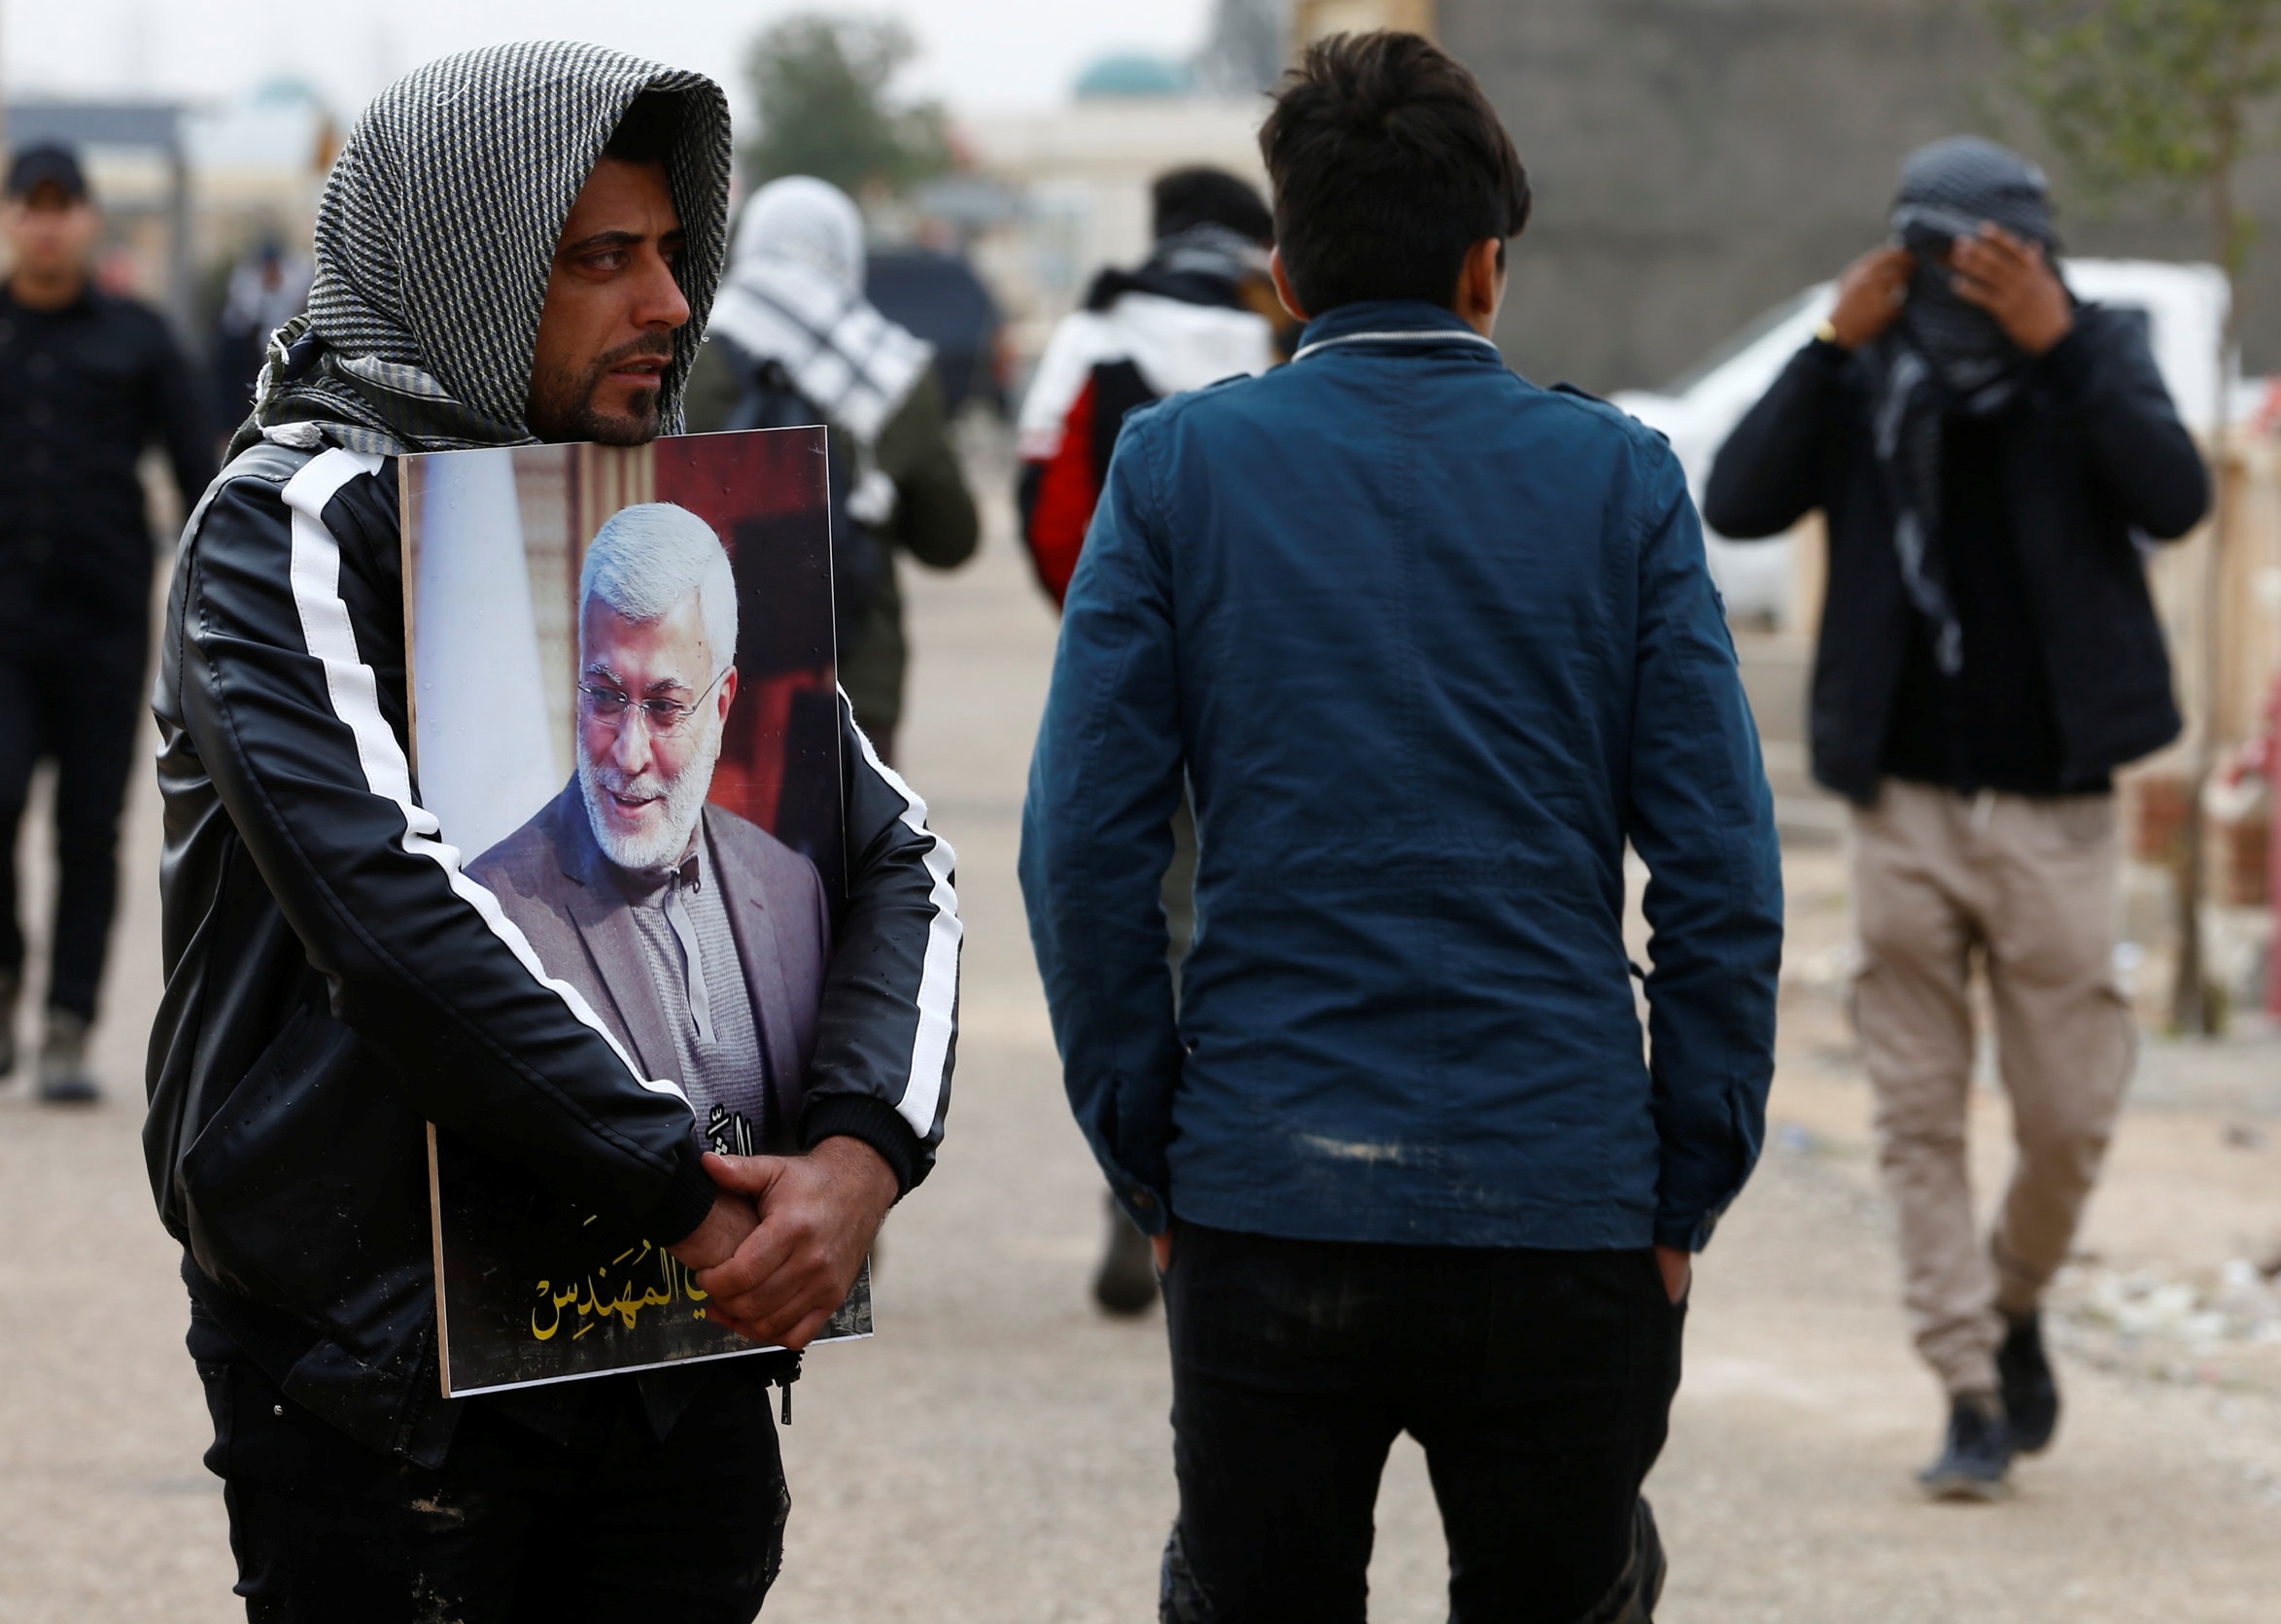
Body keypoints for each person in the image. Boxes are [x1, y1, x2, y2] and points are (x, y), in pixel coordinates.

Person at [147, 46, 959, 1622]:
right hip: (374, 1377)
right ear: (463, 265)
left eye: (670, 251)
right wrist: (685, 1186)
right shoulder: (293, 525)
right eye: (601, 257)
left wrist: (861, 1157)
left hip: (671, 1371)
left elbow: (896, 854)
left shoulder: (647, 513)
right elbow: (392, 921)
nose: (668, 301)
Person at [1020, 32, 1781, 1622]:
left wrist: (1152, 1156)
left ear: (1282, 272)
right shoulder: (1622, 485)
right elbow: (1718, 871)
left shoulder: (1173, 474)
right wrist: (1684, 1181)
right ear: (1487, 267)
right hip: (1565, 1199)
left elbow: (1081, 850)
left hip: (1263, 1197)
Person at [1704, 136, 2208, 1500]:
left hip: (2052, 806)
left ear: (2035, 252)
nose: (1962, 281)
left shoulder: (2093, 347)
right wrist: (1823, 343)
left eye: (1992, 254)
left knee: (2066, 1114)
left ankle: (2013, 1294)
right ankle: (1967, 1388)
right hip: (1902, 802)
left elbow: (2173, 491)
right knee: (1915, 1115)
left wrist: (2056, 348)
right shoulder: (1863, 363)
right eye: (1939, 253)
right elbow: (1733, 496)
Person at [1017, 165, 1285, 1315]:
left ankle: (1143, 1200)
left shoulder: (1091, 333)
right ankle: (1259, 1191)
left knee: (1143, 929)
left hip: (1130, 682)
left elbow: (1045, 506)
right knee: (1262, 924)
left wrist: (1101, 630)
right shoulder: (1286, 336)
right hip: (1275, 689)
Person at [470, 504, 829, 1164]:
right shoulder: (490, 914)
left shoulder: (790, 888)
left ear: (721, 706)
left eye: (664, 707)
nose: (628, 753)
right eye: (605, 696)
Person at [0, 143, 213, 1103]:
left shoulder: (138, 337)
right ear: (10, 218)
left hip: (100, 625)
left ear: (87, 219)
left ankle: (67, 1024)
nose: (48, 222)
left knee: (92, 825)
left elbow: (203, 481)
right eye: (31, 205)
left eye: (64, 204)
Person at [686, 175, 979, 766]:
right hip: (854, 684)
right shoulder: (893, 372)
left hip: (703, 673)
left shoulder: (685, 354)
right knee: (856, 852)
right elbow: (951, 540)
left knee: (715, 854)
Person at [1015, 165, 1282, 608]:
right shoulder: (1284, 337)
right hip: (1272, 623)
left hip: (1130, 616)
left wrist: (1095, 614)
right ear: (1261, 244)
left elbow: (1052, 514)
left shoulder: (1092, 332)